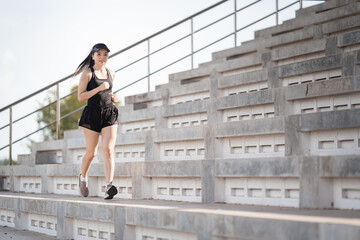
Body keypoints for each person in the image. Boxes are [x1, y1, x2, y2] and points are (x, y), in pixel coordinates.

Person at [74, 43, 119, 200]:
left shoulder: (111, 73)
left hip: (109, 113)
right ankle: (83, 178)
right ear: (92, 56)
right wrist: (98, 89)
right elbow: (80, 97)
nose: (102, 57)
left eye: (105, 54)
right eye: (99, 54)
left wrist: (112, 96)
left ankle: (109, 187)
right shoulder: (87, 73)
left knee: (107, 149)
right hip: (92, 114)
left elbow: (110, 91)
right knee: (91, 153)